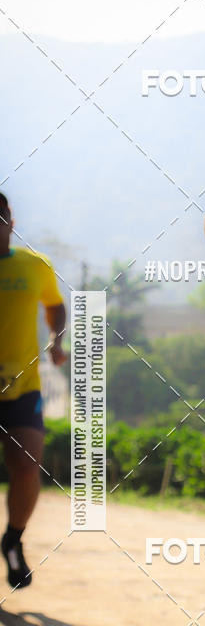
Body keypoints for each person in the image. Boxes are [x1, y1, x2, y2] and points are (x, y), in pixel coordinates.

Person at [0, 193, 66, 589]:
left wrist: (57, 340)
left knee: (26, 466)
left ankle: (13, 539)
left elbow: (55, 305)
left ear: (10, 221)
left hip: (23, 387)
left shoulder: (34, 265)